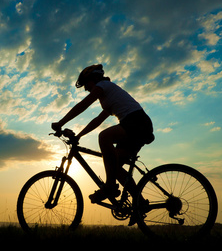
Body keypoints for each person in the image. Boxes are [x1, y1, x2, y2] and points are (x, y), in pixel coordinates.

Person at [51, 64, 154, 204]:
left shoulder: (104, 85)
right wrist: (79, 136)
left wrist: (60, 123)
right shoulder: (108, 97)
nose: (86, 89)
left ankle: (110, 186)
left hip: (136, 122)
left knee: (104, 136)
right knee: (115, 167)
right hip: (136, 125)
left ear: (94, 78)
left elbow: (83, 105)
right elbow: (97, 120)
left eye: (86, 84)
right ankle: (139, 203)